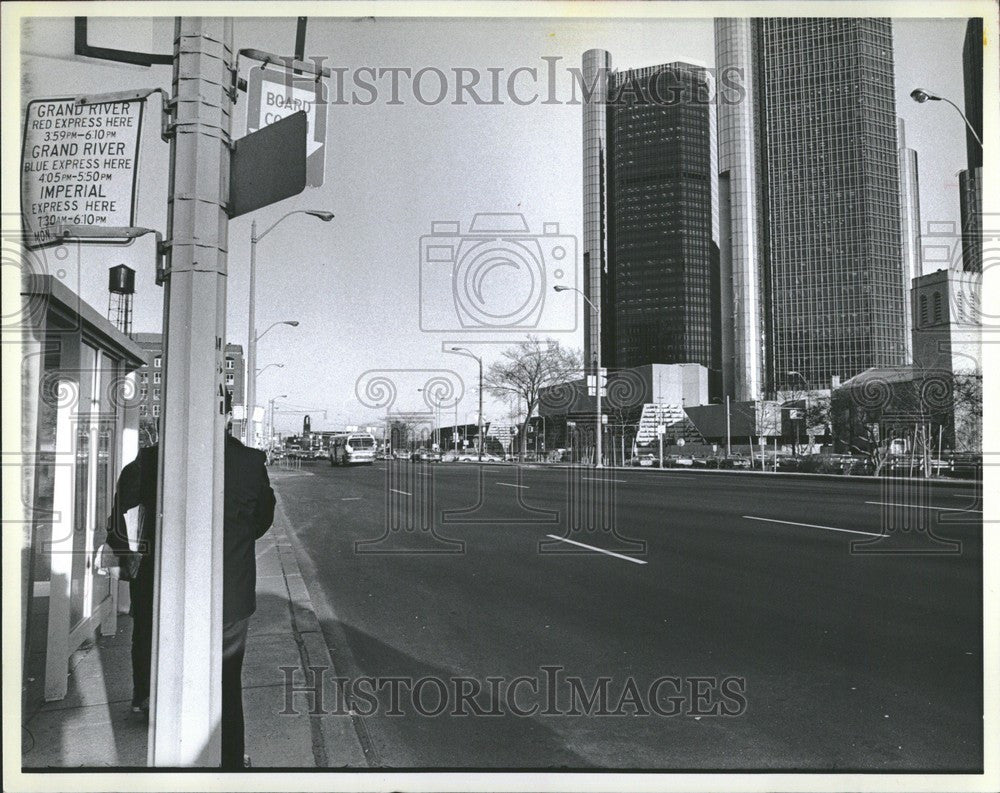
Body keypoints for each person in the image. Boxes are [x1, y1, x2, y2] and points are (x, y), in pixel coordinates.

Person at [107, 392, 275, 769]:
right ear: (228, 416)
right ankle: (230, 760)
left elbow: (122, 513)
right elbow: (262, 521)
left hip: (165, 591)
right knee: (227, 682)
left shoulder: (152, 460)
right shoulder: (249, 461)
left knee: (169, 672)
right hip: (227, 593)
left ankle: (169, 749)